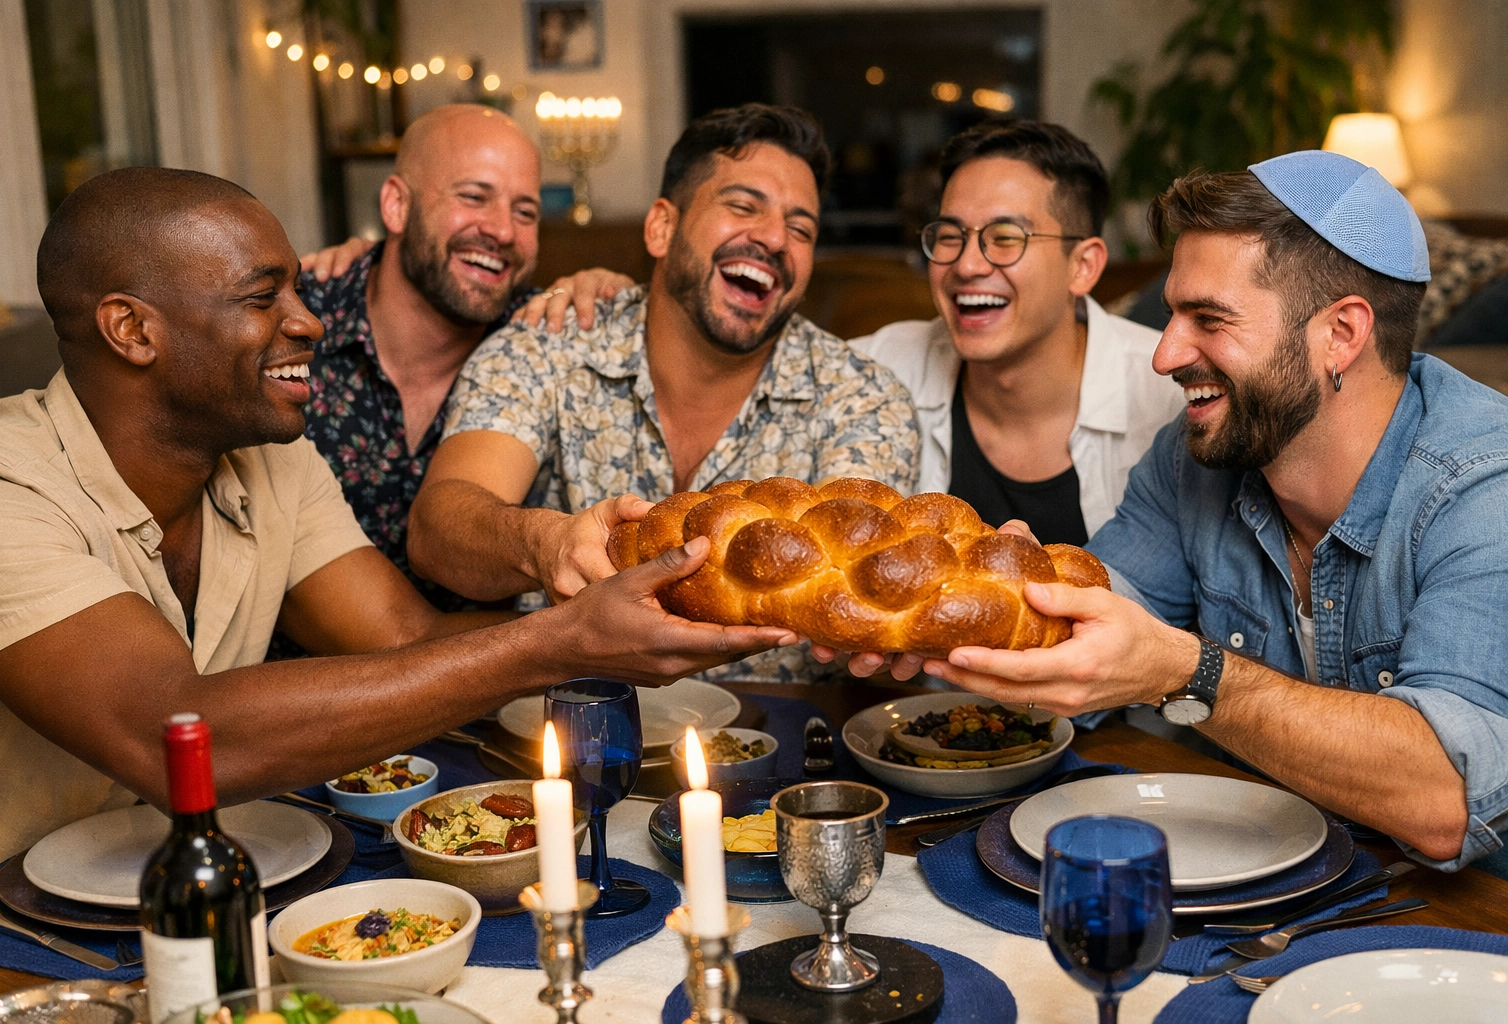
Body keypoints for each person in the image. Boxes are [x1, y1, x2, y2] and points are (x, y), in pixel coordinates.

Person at [0, 167, 796, 879]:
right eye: (264, 298)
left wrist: (649, 612)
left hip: (218, 886)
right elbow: (177, 737)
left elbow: (403, 637)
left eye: (298, 288)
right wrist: (560, 642)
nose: (310, 322)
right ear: (132, 330)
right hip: (3, 936)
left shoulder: (269, 457)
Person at [902, 152, 1508, 871]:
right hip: (1246, 884)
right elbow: (1094, 631)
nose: (1164, 354)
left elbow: (1447, 799)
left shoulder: (1483, 485)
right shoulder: (1190, 457)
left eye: (1208, 319)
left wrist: (1186, 672)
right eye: (1170, 316)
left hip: (1462, 931)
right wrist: (983, 605)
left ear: (1341, 335)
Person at [405, 104, 921, 682]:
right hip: (566, 734)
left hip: (785, 748)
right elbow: (439, 527)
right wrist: (545, 543)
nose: (775, 238)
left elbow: (868, 594)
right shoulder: (546, 347)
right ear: (661, 227)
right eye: (743, 206)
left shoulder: (864, 399)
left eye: (801, 228)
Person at [290, 105, 631, 615]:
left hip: (487, 683)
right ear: (396, 206)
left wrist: (614, 292)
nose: (502, 231)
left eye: (525, 212)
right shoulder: (295, 323)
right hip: (293, 683)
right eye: (474, 197)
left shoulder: (543, 336)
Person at [852, 121, 1182, 545]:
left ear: (1082, 266)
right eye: (950, 236)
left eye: (1005, 237)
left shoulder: (1170, 394)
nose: (967, 266)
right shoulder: (878, 369)